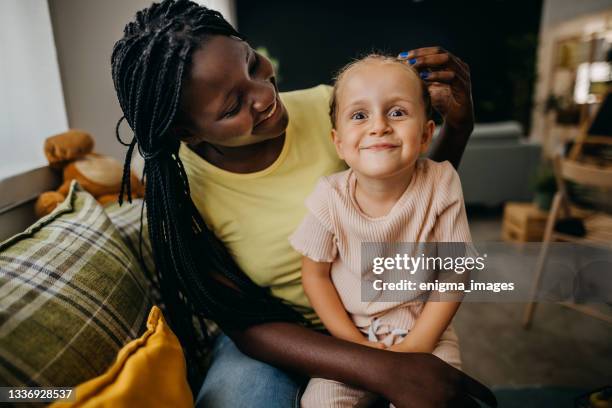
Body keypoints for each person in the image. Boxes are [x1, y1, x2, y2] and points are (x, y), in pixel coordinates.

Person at [110, 1, 496, 407]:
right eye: (232, 107)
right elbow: (243, 322)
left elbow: (417, 199)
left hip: (389, 317)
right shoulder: (182, 193)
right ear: (187, 131)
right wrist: (380, 367)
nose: (263, 94)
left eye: (252, 64)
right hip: (281, 339)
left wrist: (459, 127)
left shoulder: (344, 112)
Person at [289, 54, 470, 407]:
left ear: (425, 134)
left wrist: (417, 346)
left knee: (438, 401)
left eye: (398, 112)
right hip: (353, 338)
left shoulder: (442, 182)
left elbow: (456, 271)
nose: (379, 126)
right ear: (338, 141)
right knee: (320, 403)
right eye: (360, 115)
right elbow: (315, 275)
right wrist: (352, 345)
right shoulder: (329, 196)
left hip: (426, 335)